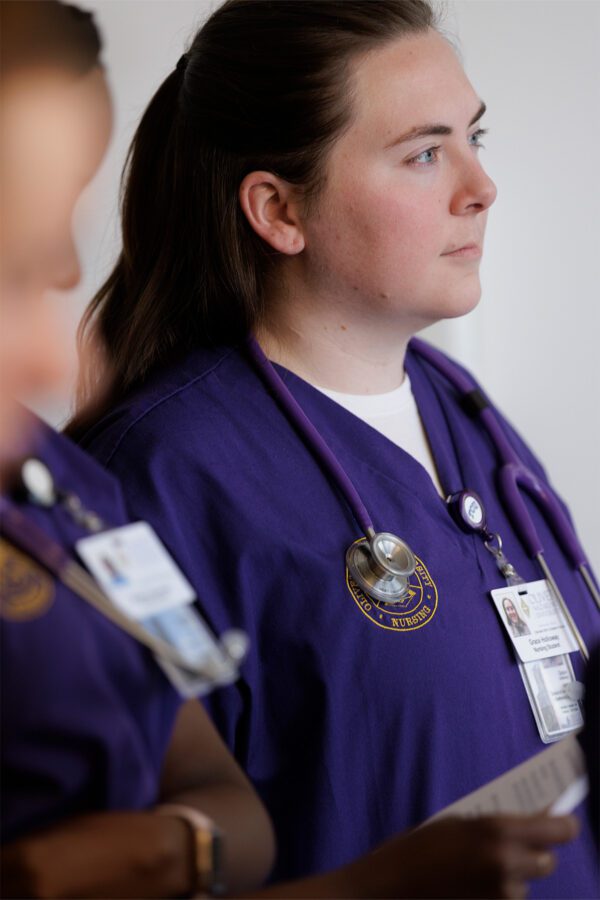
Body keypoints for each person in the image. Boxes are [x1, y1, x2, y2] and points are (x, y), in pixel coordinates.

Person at [67, 1, 600, 896]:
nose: (481, 185)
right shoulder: (156, 478)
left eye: (475, 136)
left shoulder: (463, 411)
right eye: (425, 153)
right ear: (278, 209)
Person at [0, 4, 275, 896]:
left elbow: (221, 796)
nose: (53, 351)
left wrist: (180, 846)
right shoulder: (157, 449)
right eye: (10, 258)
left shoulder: (59, 483)